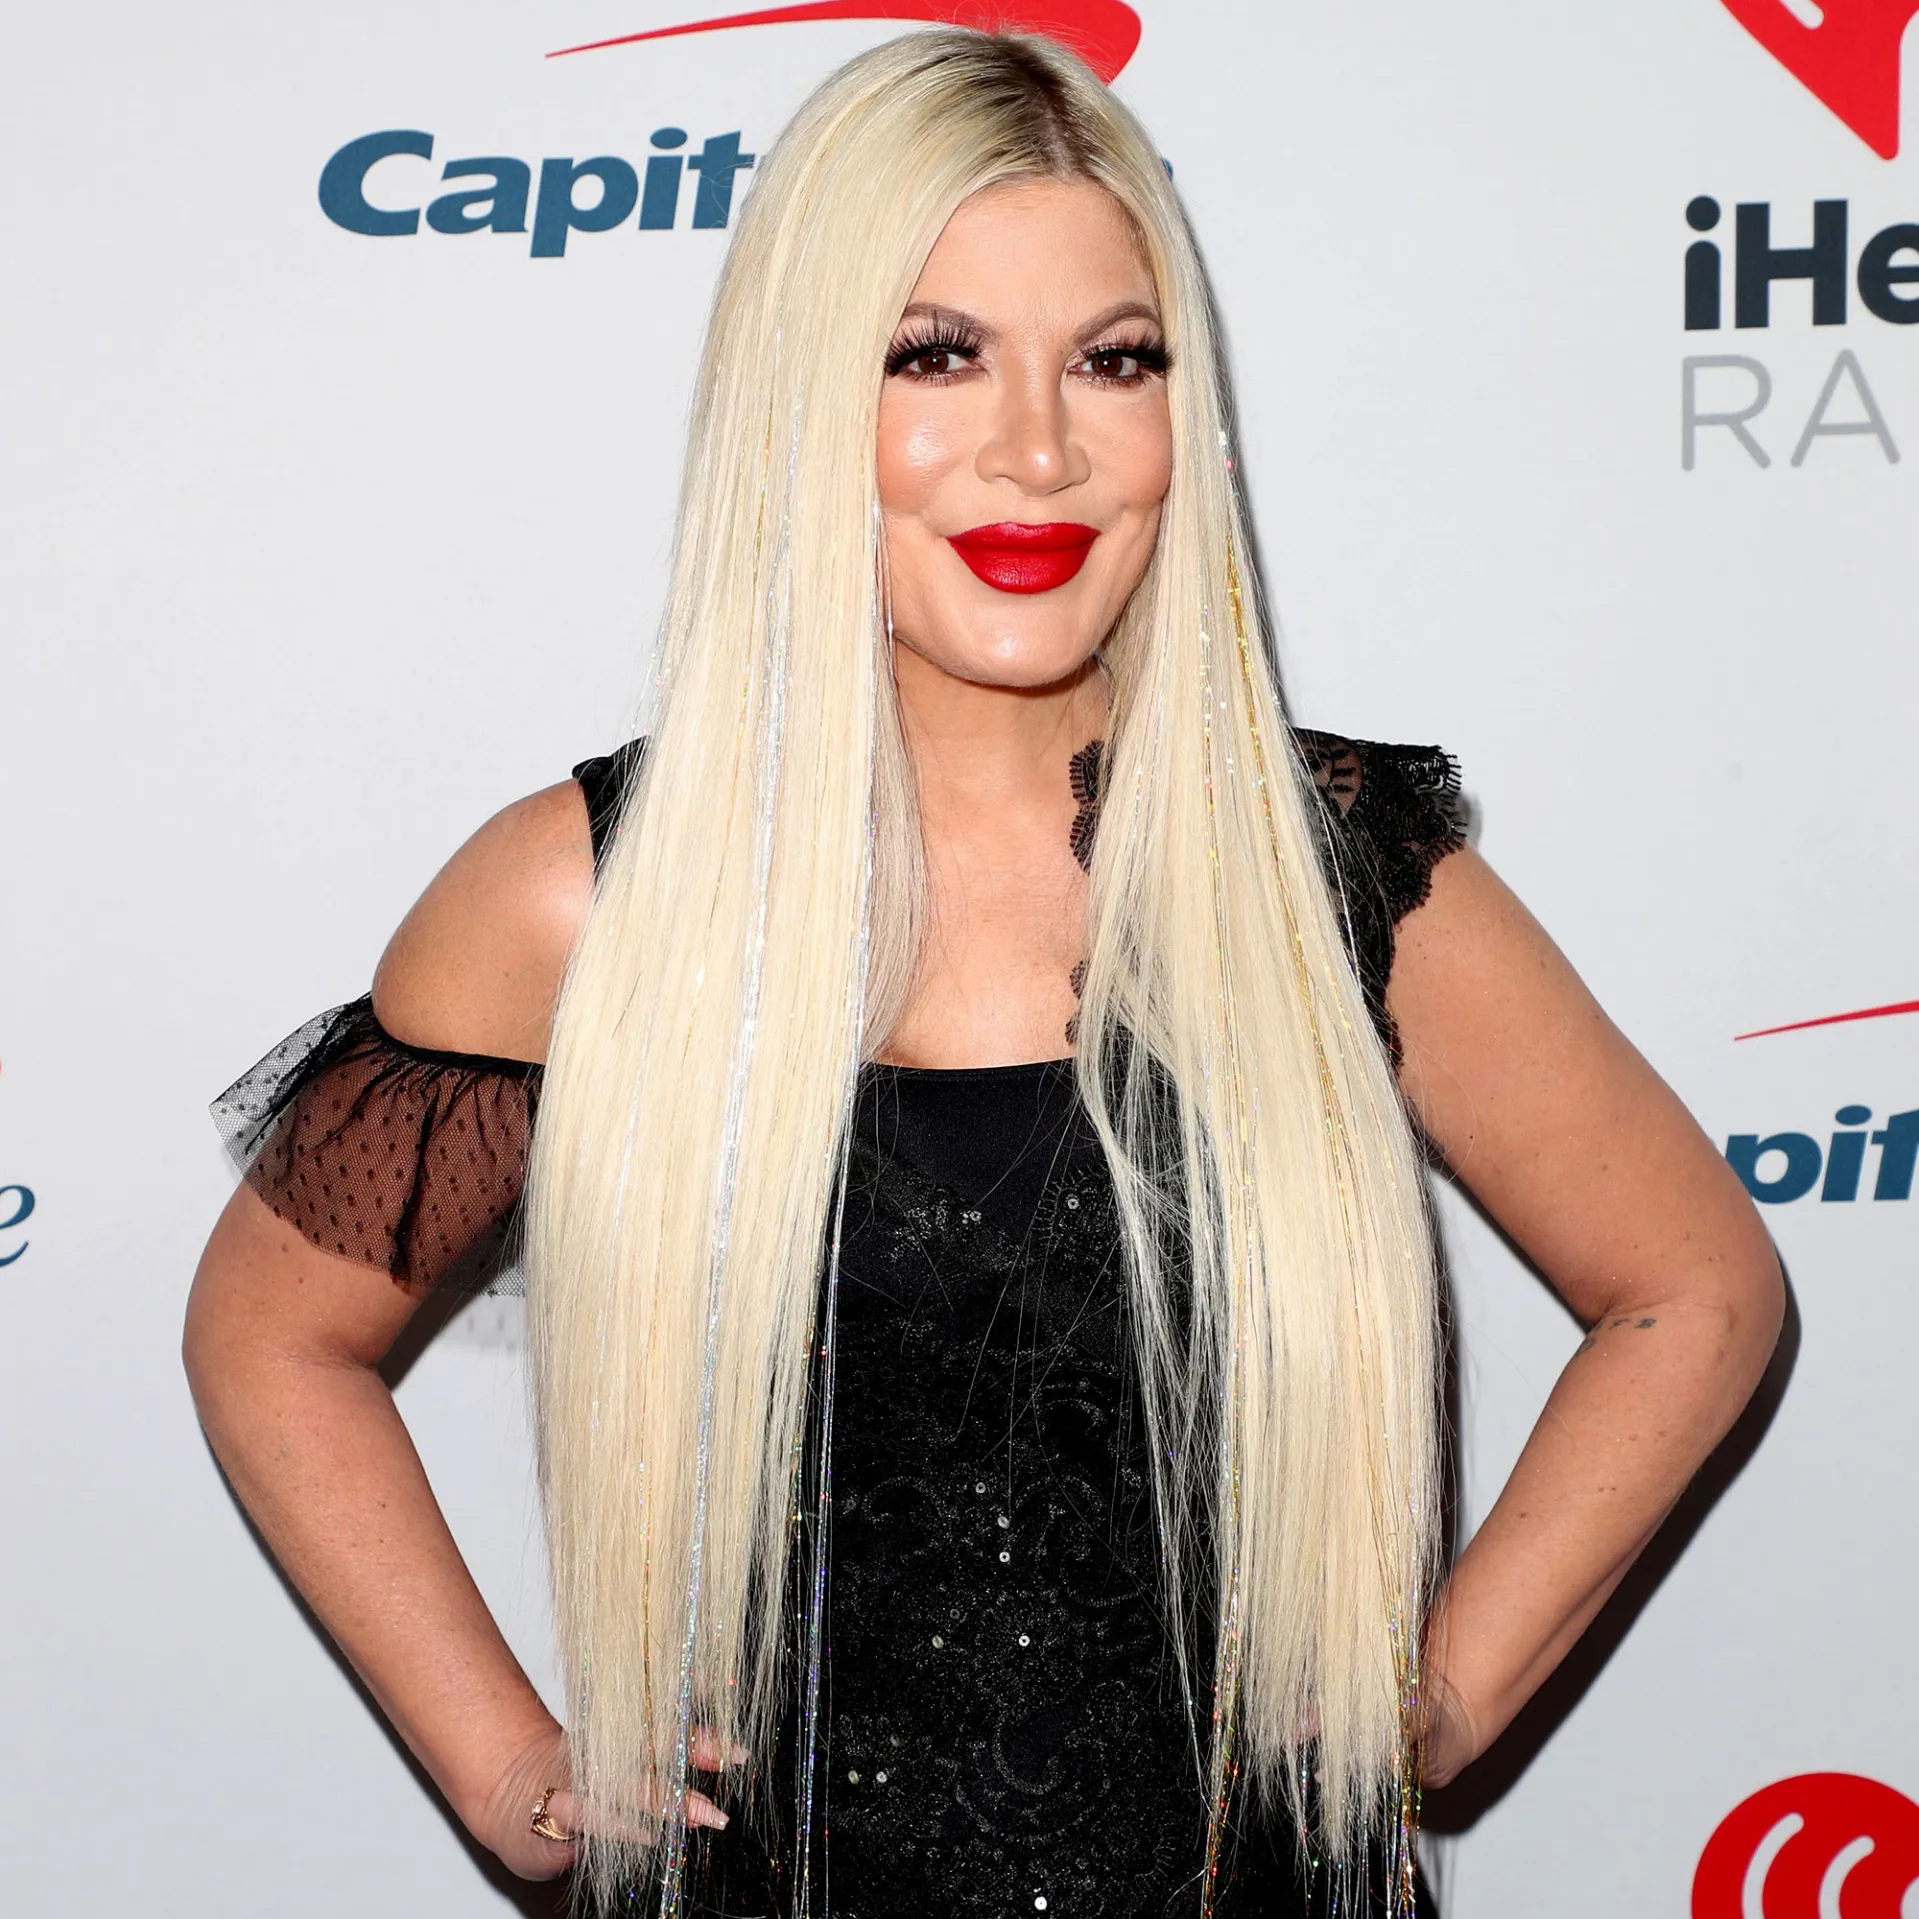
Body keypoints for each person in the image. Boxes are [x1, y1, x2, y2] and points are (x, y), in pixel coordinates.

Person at [184, 29, 1783, 1919]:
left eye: (1115, 360)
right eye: (934, 355)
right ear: (798, 397)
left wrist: (1447, 1690)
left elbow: (1692, 1285)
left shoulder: (1324, 870)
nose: (1038, 447)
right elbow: (273, 1336)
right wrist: (507, 1766)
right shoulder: (589, 901)